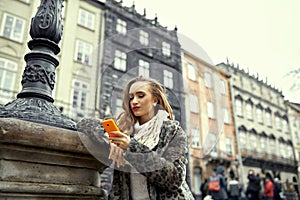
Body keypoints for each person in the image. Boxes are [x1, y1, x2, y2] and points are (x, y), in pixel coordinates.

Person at [77, 76, 194, 199]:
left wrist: (131, 146)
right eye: (131, 97)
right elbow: (84, 124)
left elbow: (174, 178)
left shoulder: (173, 132)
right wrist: (112, 137)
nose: (134, 101)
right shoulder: (124, 127)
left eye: (141, 96)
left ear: (155, 100)